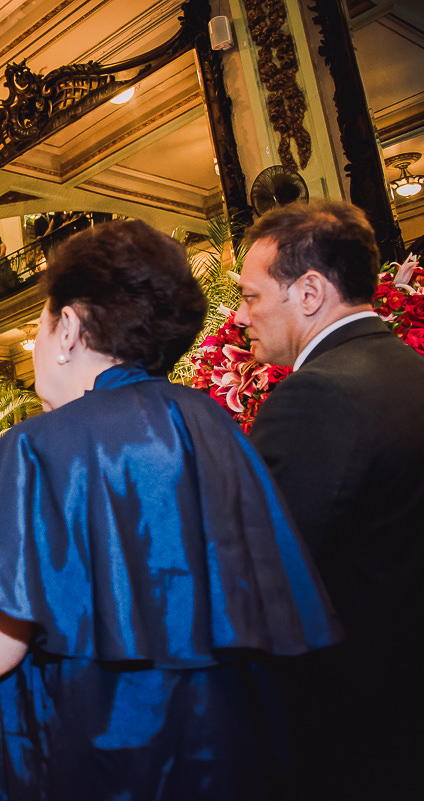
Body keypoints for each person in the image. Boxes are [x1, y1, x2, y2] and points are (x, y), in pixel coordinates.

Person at [0, 219, 342, 801]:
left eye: (41, 325)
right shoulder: (217, 428)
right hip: (227, 762)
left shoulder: (39, 448)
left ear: (67, 327)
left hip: (93, 761)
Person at [237, 200, 424, 800]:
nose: (241, 316)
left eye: (251, 296)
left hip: (352, 733)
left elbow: (257, 578)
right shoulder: (408, 371)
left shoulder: (315, 397)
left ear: (310, 291)